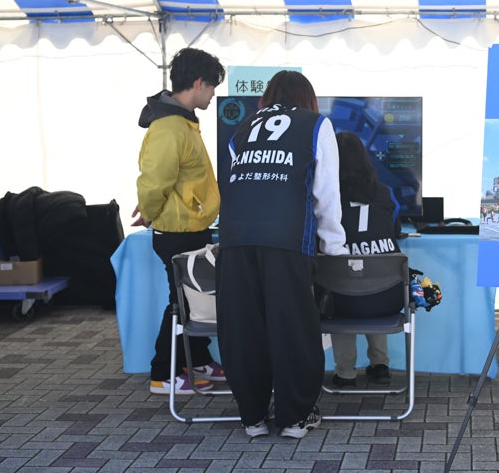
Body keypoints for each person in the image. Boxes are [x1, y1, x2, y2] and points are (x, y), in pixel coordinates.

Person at [216, 70, 348, 439]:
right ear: (307, 97)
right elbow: (326, 193)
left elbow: (231, 184)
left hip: (235, 237)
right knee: (292, 327)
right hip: (287, 237)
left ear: (268, 96)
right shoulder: (316, 124)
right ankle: (294, 417)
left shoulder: (243, 127)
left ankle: (252, 416)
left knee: (243, 327)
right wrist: (334, 247)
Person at [133, 47, 226, 395]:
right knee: (183, 303)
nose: (213, 94)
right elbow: (154, 179)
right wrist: (150, 211)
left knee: (197, 299)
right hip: (176, 231)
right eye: (212, 87)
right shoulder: (170, 127)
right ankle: (164, 373)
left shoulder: (182, 122)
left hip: (190, 227)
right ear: (198, 83)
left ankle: (196, 360)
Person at [329, 131, 404, 388]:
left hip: (341, 302)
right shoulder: (386, 193)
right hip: (387, 300)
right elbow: (395, 229)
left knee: (337, 285)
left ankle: (345, 372)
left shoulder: (325, 198)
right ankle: (380, 365)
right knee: (375, 278)